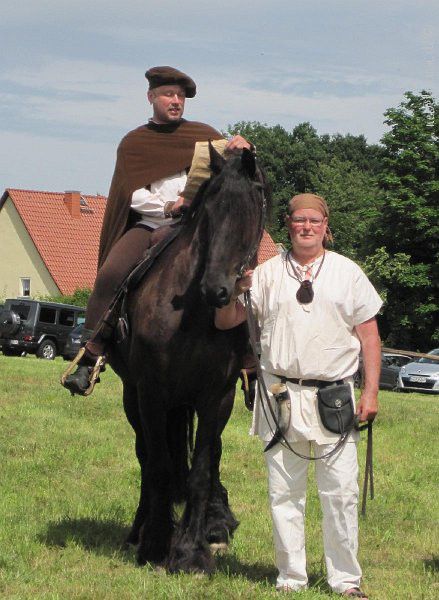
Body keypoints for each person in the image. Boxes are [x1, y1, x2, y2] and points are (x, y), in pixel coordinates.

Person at [215, 193, 382, 598]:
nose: (306, 227)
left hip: (334, 397)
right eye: (299, 220)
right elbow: (225, 321)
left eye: (314, 220)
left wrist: (371, 392)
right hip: (280, 395)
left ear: (326, 226)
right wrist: (232, 290)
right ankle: (291, 578)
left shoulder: (347, 273)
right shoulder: (266, 274)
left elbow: (370, 338)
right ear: (288, 225)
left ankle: (346, 580)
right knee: (284, 493)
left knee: (340, 494)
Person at [63, 65, 251, 395]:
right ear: (151, 96)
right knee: (111, 274)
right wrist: (167, 207)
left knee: (240, 275)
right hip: (151, 224)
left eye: (180, 96)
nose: (175, 100)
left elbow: (234, 173)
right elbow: (131, 193)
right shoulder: (134, 143)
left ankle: (249, 362)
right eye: (168, 94)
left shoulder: (205, 135)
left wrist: (244, 149)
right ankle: (90, 354)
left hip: (197, 227)